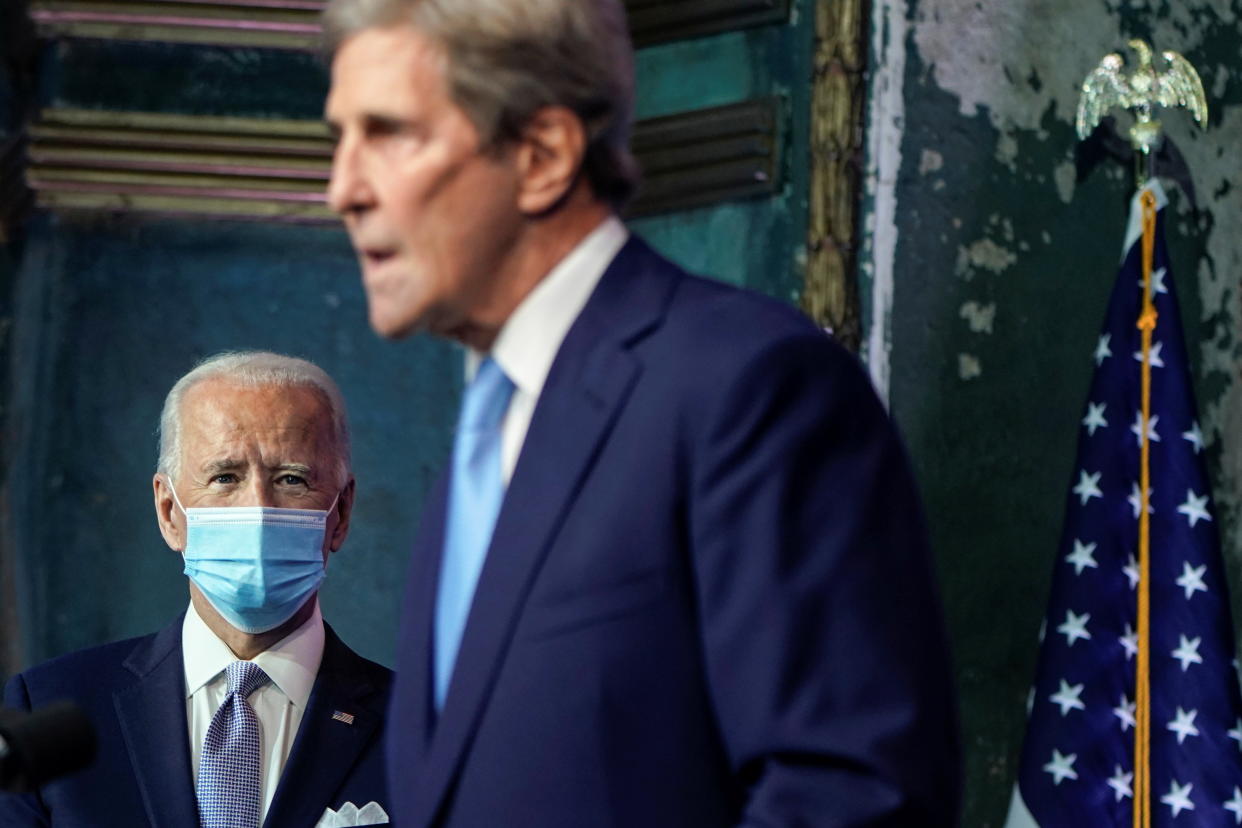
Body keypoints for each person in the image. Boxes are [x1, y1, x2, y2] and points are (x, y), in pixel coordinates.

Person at [322, 1, 961, 825]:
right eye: (339, 138)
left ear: (543, 155)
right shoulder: (483, 445)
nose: (343, 188)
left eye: (389, 133)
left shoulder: (751, 388)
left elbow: (856, 796)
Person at [0, 352, 391, 827]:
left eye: (291, 479)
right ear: (169, 511)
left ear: (341, 513)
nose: (258, 509)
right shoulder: (49, 708)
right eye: (225, 477)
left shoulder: (419, 726)